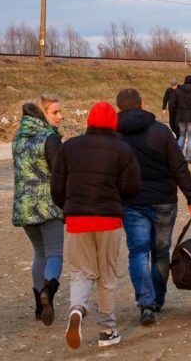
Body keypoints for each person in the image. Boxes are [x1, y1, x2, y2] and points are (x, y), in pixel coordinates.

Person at [51, 101, 142, 349]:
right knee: (107, 276)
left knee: (81, 272)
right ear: (113, 122)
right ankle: (107, 329)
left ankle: (77, 309)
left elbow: (57, 188)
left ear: (89, 121)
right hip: (108, 220)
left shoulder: (70, 147)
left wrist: (69, 207)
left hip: (77, 220)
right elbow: (133, 187)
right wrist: (117, 199)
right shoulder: (122, 150)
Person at [115, 89, 191, 326]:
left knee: (138, 252)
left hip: (132, 203)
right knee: (161, 252)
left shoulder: (114, 135)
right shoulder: (161, 131)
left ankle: (146, 303)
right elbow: (179, 167)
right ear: (142, 104)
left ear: (119, 108)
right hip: (164, 201)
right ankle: (157, 299)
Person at [11, 95, 65, 325]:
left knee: (39, 254)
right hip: (48, 205)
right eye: (55, 112)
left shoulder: (18, 138)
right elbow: (60, 173)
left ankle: (38, 307)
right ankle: (48, 294)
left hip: (24, 206)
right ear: (43, 114)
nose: (60, 117)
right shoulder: (49, 139)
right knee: (54, 254)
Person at [173, 75, 191, 163]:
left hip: (181, 116)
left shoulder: (178, 91)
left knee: (181, 135)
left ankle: (178, 156)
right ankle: (188, 157)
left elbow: (173, 104)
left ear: (185, 81)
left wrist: (177, 113)